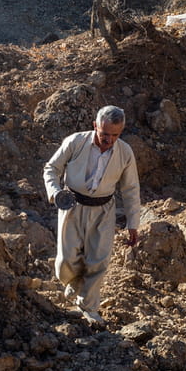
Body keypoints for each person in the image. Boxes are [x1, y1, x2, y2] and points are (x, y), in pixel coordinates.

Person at [43, 105, 141, 325]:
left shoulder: (125, 152)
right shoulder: (75, 142)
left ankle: (89, 306)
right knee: (66, 261)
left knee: (98, 260)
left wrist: (133, 223)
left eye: (115, 135)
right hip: (72, 205)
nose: (109, 140)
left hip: (104, 210)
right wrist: (55, 193)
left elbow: (131, 189)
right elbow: (51, 168)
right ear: (95, 125)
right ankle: (75, 285)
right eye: (105, 134)